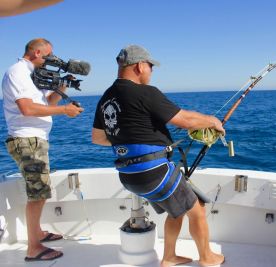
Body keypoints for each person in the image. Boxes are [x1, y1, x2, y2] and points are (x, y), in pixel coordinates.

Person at [92, 44, 225, 267]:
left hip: (129, 176)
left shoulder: (106, 97)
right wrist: (212, 121)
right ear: (139, 66)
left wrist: (130, 143)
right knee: (198, 209)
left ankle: (169, 258)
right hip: (154, 173)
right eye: (150, 66)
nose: (152, 71)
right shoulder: (145, 92)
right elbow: (185, 120)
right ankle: (207, 258)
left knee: (177, 209)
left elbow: (98, 138)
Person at [2, 38, 83, 261]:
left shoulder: (29, 75)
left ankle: (37, 233)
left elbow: (45, 104)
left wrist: (62, 86)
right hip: (27, 140)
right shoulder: (17, 72)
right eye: (49, 56)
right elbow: (27, 108)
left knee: (41, 191)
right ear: (37, 53)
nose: (51, 60)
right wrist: (65, 110)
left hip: (34, 140)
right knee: (37, 195)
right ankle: (33, 248)